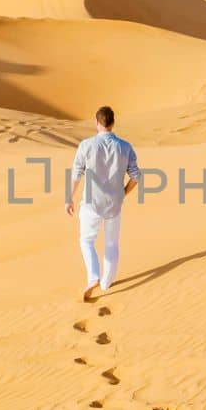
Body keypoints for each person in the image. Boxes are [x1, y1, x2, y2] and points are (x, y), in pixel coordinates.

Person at [66, 106, 141, 301]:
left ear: (97, 123)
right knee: (111, 244)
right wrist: (124, 192)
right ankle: (106, 283)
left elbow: (76, 173)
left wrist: (69, 198)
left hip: (91, 202)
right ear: (113, 123)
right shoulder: (125, 147)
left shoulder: (86, 145)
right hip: (114, 204)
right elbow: (136, 176)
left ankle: (93, 277)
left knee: (86, 240)